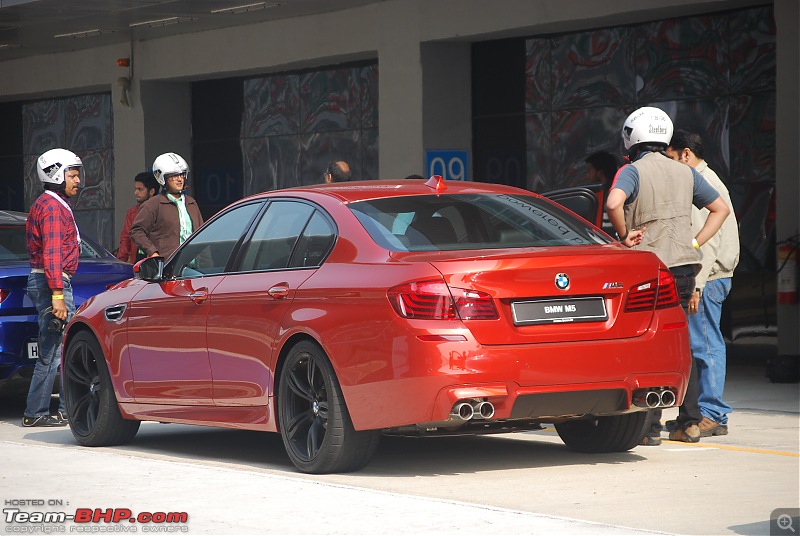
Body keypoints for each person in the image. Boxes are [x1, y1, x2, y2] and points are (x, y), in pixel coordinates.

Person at [606, 107, 730, 444]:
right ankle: (688, 422)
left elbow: (613, 203)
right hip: (684, 269)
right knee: (681, 343)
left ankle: (648, 427)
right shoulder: (686, 172)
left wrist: (623, 235)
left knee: (646, 343)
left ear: (632, 138)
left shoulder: (631, 171)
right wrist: (694, 241)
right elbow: (720, 209)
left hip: (647, 270)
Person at [666, 129, 740, 437]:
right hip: (711, 277)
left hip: (708, 278)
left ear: (685, 154)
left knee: (705, 346)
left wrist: (695, 285)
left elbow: (703, 244)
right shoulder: (705, 178)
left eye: (671, 158)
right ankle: (701, 414)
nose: (669, 165)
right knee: (702, 344)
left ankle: (713, 414)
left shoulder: (701, 184)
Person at [23, 148, 83, 427]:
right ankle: (36, 413)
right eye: (72, 175)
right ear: (56, 175)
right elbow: (52, 254)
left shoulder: (52, 203)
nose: (78, 180)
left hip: (50, 282)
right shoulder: (51, 207)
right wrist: (58, 294)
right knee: (52, 351)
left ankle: (48, 410)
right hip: (52, 284)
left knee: (56, 350)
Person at [130, 152, 203, 260]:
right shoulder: (153, 205)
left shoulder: (191, 203)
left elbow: (202, 235)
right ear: (162, 178)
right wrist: (153, 253)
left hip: (196, 265)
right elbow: (136, 231)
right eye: (173, 176)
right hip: (168, 267)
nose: (179, 179)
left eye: (181, 174)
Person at [115, 171, 159, 263]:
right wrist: (121, 262)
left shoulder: (162, 210)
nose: (136, 193)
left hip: (159, 257)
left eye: (140, 189)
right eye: (136, 189)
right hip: (138, 260)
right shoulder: (132, 212)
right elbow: (125, 239)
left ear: (152, 191)